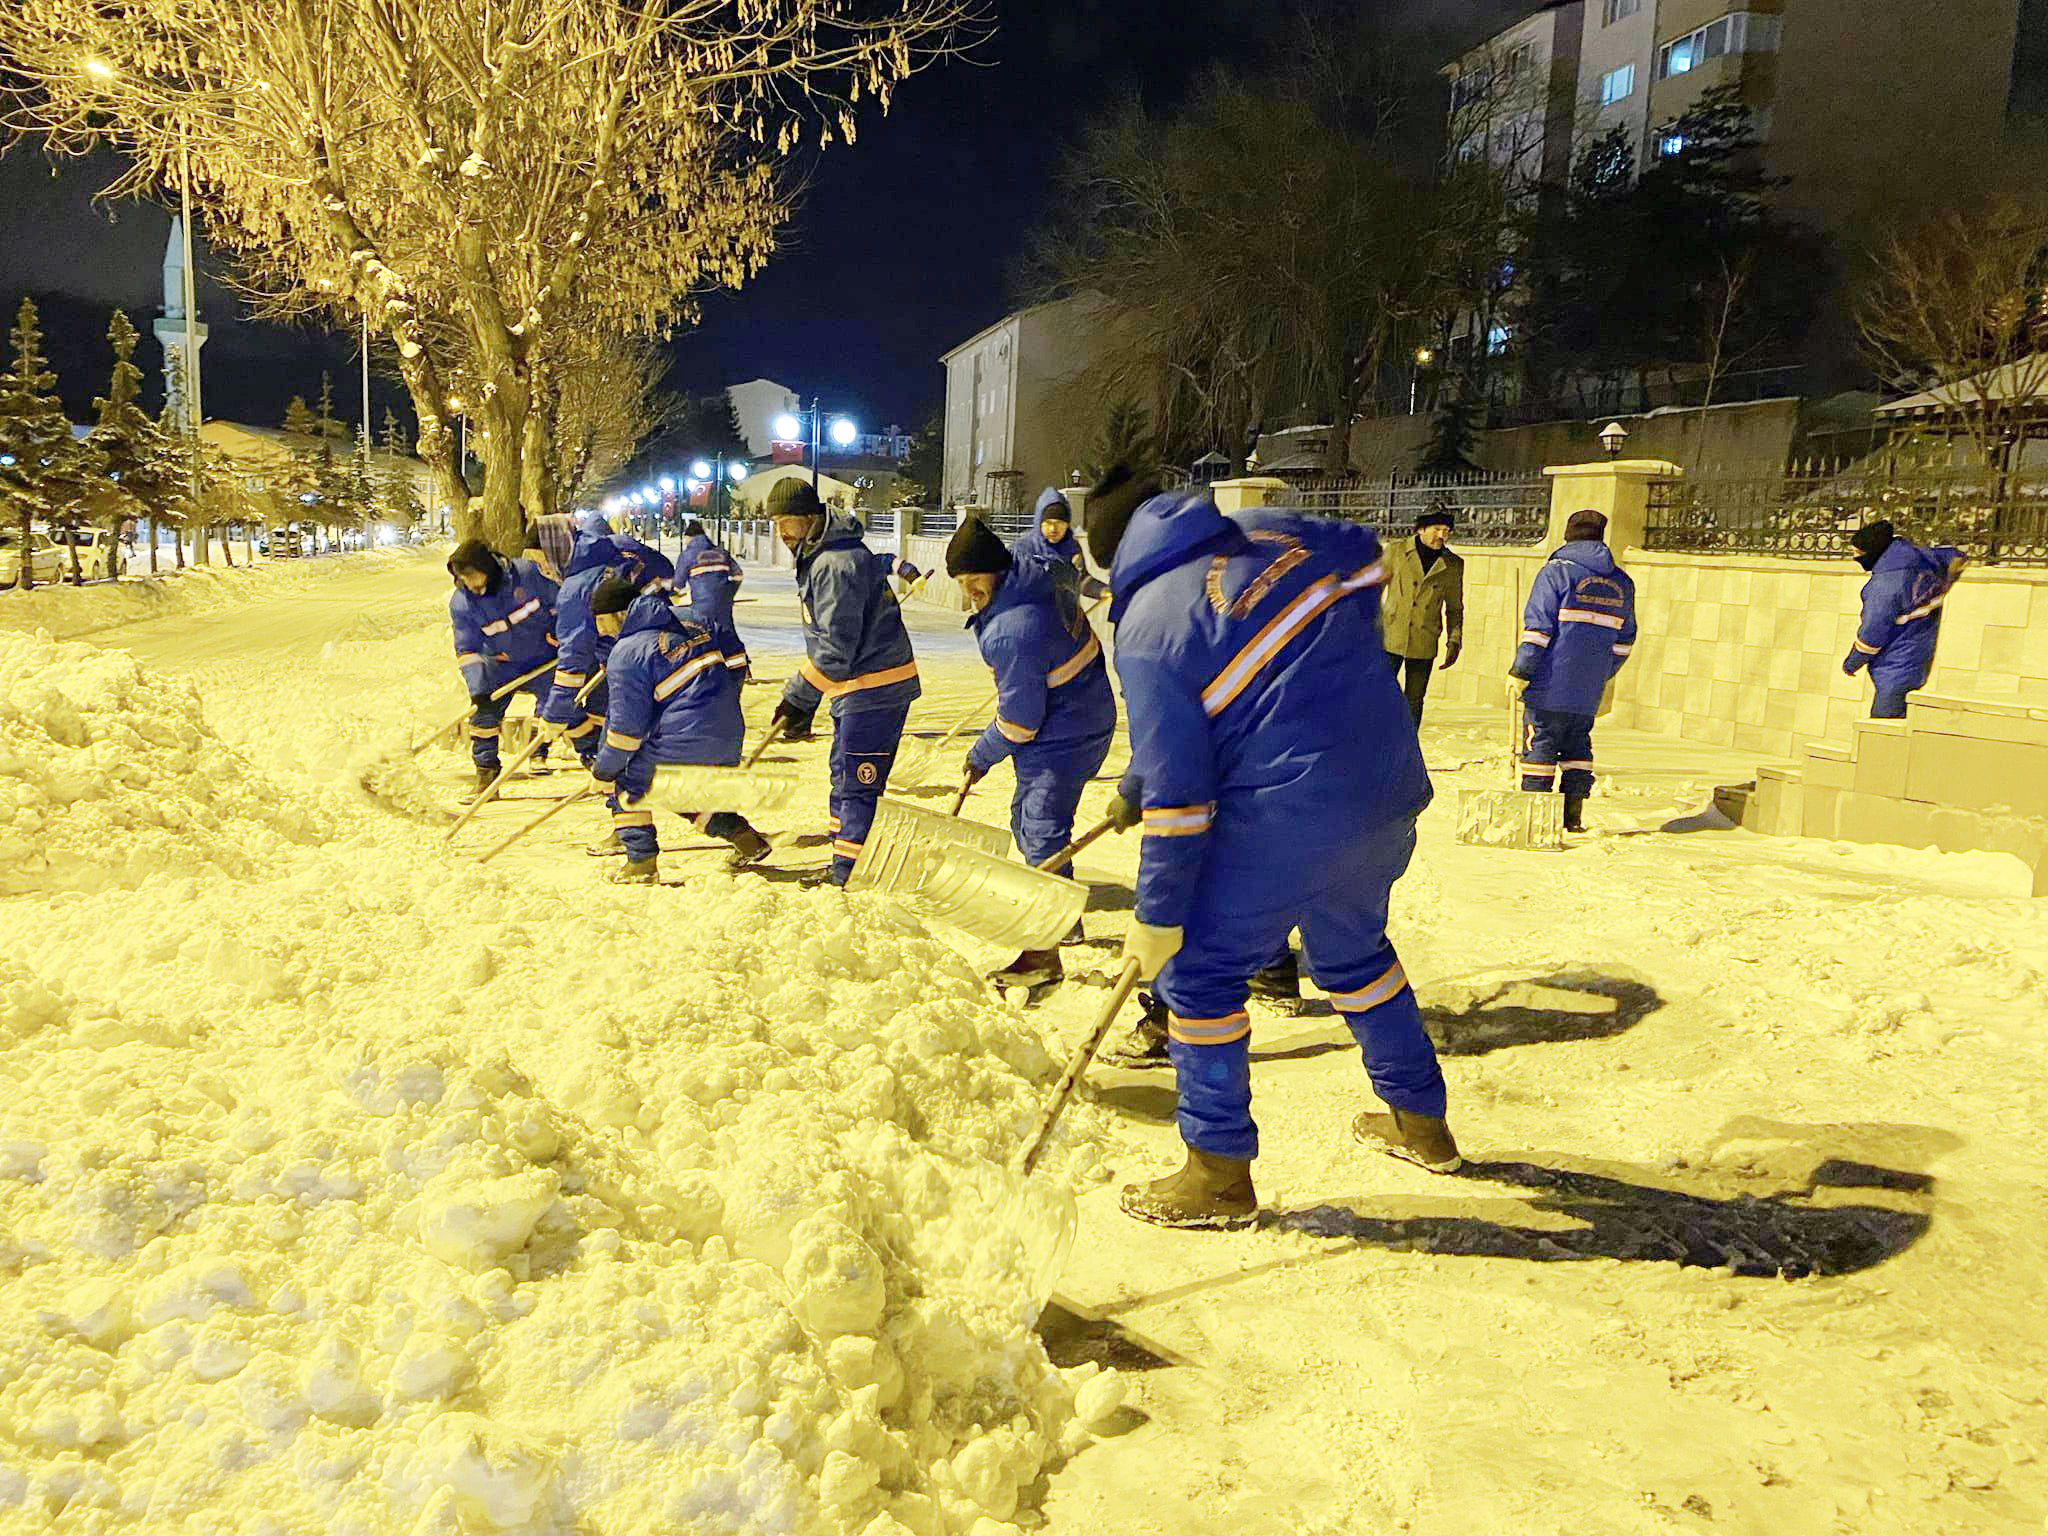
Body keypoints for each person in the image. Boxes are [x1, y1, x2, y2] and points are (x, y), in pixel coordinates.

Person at [1084, 467, 1455, 1230]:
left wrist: (1157, 921)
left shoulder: (1148, 624)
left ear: (1113, 558)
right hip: (1385, 792)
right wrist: (1138, 780)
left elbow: (1184, 806)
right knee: (1355, 958)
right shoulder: (1285, 532)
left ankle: (1217, 1174)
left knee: (1198, 976)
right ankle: (1423, 1124)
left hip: (1289, 816)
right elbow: (1365, 557)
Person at [947, 516, 1118, 987]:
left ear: (996, 570)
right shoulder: (1034, 571)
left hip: (1065, 730)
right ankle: (1065, 920)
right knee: (1029, 818)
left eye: (972, 581)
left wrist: (982, 753)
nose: (969, 594)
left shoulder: (1011, 630)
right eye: (961, 584)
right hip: (1084, 710)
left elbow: (1021, 721)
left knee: (1041, 826)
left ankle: (1046, 944)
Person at [766, 478, 922, 885]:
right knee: (844, 773)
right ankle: (844, 860)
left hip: (875, 685)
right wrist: (810, 698)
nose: (782, 533)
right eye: (776, 523)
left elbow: (836, 648)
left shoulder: (836, 564)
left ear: (810, 519)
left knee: (857, 780)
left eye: (788, 523)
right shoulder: (822, 554)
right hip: (858, 685)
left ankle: (851, 871)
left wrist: (798, 699)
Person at [586, 574, 771, 882]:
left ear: (622, 613)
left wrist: (604, 771)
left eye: (602, 620)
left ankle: (641, 863)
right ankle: (745, 838)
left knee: (630, 782)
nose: (600, 629)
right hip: (729, 731)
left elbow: (624, 732)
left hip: (687, 736)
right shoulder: (693, 621)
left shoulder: (628, 652)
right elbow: (738, 661)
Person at [1507, 509, 1638, 835]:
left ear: (1568, 536)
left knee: (1541, 743)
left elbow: (1538, 631)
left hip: (1548, 682)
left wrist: (1521, 671)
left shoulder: (1555, 574)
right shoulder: (1622, 583)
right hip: (1588, 689)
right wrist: (1601, 673)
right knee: (1577, 745)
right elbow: (1625, 640)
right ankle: (1572, 818)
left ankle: (1536, 821)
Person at [540, 525, 675, 779]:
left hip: (629, 657)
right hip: (661, 637)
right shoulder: (619, 546)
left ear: (555, 551)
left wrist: (555, 715)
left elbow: (573, 657)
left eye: (541, 560)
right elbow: (667, 573)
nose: (543, 569)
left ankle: (619, 778)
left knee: (625, 726)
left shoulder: (575, 589)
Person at [447, 538, 559, 802]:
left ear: (487, 567)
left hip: (544, 658)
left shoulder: (525, 575)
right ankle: (486, 775)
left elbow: (559, 603)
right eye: (464, 578)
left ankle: (550, 753)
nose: (471, 584)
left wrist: (558, 632)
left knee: (562, 709)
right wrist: (478, 690)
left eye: (474, 576)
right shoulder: (462, 603)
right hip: (502, 663)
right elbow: (467, 650)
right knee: (483, 715)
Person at [1843, 520, 1968, 719]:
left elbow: (1872, 636)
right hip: (1918, 655)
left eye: (1858, 553)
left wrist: (1851, 664)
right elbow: (1956, 558)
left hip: (1896, 664)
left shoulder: (1885, 586)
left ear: (1873, 552)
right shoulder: (1921, 560)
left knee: (1884, 728)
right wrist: (1947, 582)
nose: (1856, 558)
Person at [1379, 502, 1465, 726]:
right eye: (1436, 529)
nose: (1441, 535)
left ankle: (1407, 752)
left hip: (1424, 640)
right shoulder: (1396, 552)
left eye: (1446, 530)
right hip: (1391, 636)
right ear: (1421, 529)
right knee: (1379, 694)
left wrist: (1454, 640)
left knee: (1414, 701)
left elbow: (1455, 608)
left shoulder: (1453, 564)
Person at [674, 520, 751, 677]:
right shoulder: (721, 552)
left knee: (701, 635)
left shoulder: (688, 555)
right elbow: (738, 574)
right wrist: (729, 592)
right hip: (723, 601)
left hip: (701, 604)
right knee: (727, 633)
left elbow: (678, 584)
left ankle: (706, 672)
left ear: (689, 537)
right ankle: (741, 670)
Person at [1014, 486, 1109, 600]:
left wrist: (1103, 591)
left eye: (1059, 523)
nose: (1053, 528)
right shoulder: (1022, 550)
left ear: (1067, 524)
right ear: (1039, 523)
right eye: (1048, 523)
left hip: (1064, 614)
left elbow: (1081, 581)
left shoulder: (1072, 549)